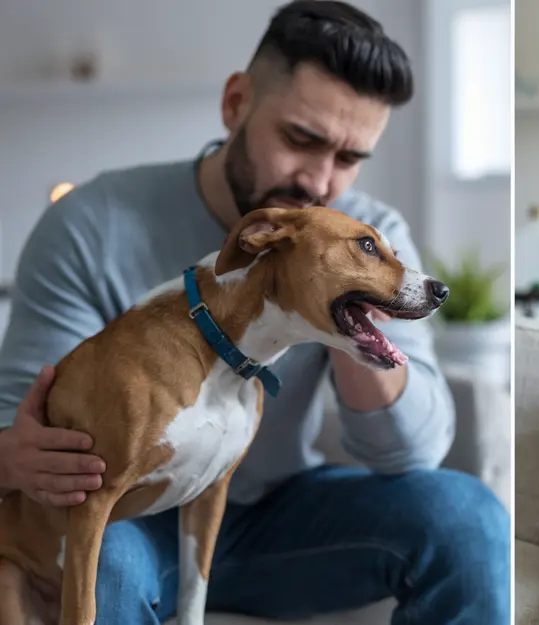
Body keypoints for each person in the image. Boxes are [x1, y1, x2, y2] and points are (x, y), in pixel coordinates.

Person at [0, 1, 509, 623]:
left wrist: (354, 324)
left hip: (286, 512)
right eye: (301, 139)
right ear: (236, 103)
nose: (320, 181)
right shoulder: (88, 225)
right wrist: (14, 453)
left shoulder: (371, 237)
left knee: (468, 517)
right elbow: (20, 420)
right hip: (134, 517)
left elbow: (411, 455)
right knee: (109, 563)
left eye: (349, 159)